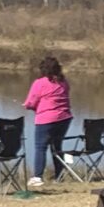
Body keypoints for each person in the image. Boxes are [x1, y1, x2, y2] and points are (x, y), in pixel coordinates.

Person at [23, 55, 72, 187]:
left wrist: (27, 105)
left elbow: (31, 102)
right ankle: (59, 175)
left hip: (46, 119)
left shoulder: (40, 83)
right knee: (57, 147)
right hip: (64, 118)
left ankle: (38, 177)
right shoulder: (63, 82)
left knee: (40, 147)